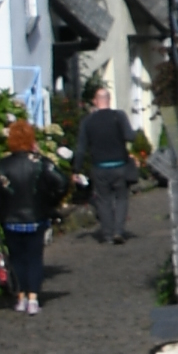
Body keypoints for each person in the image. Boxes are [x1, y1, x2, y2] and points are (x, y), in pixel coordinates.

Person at [0, 118, 64, 317]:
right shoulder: (40, 162)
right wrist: (50, 202)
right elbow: (62, 182)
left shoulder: (3, 165)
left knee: (17, 259)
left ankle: (20, 297)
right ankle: (33, 299)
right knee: (34, 258)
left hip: (11, 220)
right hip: (36, 218)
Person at [76, 82, 136, 246]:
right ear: (109, 100)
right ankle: (118, 231)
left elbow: (81, 147)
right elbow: (130, 136)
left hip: (99, 167)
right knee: (121, 198)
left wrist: (76, 169)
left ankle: (108, 234)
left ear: (95, 101)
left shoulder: (88, 121)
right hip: (120, 165)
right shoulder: (119, 116)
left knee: (104, 200)